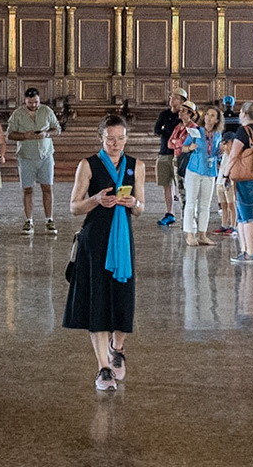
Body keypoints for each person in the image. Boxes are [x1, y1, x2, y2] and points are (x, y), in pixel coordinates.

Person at [64, 115, 142, 392]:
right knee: (97, 302)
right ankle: (103, 367)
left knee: (122, 298)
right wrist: (96, 200)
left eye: (120, 139)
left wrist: (133, 202)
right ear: (101, 138)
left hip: (122, 241)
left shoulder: (136, 165)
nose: (116, 144)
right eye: (110, 139)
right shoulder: (88, 165)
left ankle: (117, 347)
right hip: (95, 239)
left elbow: (141, 208)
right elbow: (74, 207)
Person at [8, 87, 62, 236]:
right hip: (26, 157)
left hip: (45, 156)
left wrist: (46, 134)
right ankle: (28, 221)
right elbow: (10, 134)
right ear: (25, 100)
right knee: (27, 189)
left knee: (47, 188)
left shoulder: (46, 111)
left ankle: (49, 220)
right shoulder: (17, 114)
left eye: (36, 102)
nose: (33, 105)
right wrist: (25, 136)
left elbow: (57, 129)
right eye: (30, 102)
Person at [222, 102, 253, 264]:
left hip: (245, 178)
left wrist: (225, 174)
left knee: (247, 217)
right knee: (242, 216)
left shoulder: (243, 131)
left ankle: (250, 253)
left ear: (243, 113)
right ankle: (244, 250)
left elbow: (233, 155)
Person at [181, 107, 224, 247]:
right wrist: (190, 148)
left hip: (209, 171)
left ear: (217, 120)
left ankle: (202, 234)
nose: (208, 118)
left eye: (212, 116)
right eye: (207, 115)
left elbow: (216, 153)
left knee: (205, 204)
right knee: (191, 202)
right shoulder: (196, 131)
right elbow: (183, 147)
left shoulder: (218, 135)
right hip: (194, 170)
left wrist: (221, 151)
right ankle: (189, 234)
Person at [152, 87, 188, 226]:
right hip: (164, 152)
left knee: (182, 186)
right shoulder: (164, 114)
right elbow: (157, 129)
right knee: (166, 185)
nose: (172, 100)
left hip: (179, 155)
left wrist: (168, 131)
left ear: (182, 101)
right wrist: (169, 132)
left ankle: (186, 214)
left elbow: (181, 132)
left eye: (176, 98)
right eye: (171, 97)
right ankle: (170, 213)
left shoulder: (183, 115)